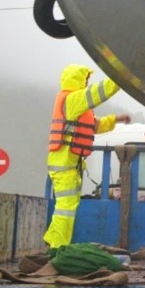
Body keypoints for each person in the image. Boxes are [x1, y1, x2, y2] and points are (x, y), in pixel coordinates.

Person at [43, 64, 126, 249]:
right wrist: (120, 76)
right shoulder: (73, 99)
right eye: (86, 79)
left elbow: (94, 125)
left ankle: (55, 243)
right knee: (65, 207)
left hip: (69, 164)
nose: (88, 82)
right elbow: (98, 92)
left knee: (67, 206)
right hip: (64, 164)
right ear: (78, 79)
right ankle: (56, 246)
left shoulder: (73, 105)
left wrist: (116, 119)